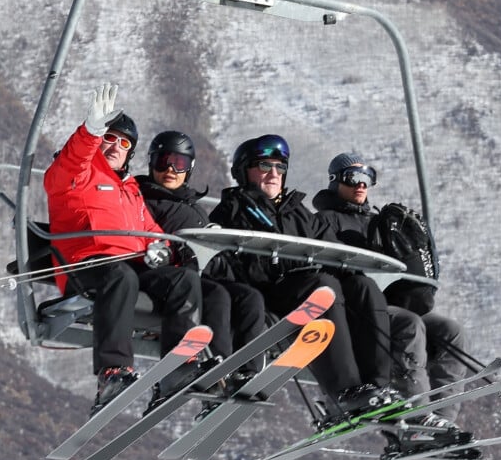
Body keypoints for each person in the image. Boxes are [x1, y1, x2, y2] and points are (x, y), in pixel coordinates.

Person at [209, 134, 404, 422]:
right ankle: (344, 390)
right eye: (264, 166)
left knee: (362, 287)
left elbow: (331, 250)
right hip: (269, 291)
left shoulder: (296, 210)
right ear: (244, 171)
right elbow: (233, 263)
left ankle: (376, 387)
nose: (274, 174)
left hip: (311, 288)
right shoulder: (232, 209)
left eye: (279, 168)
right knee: (324, 287)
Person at [44, 84, 204, 417]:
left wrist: (179, 253)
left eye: (124, 142)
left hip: (129, 268)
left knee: (183, 281)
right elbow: (74, 161)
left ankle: (178, 367)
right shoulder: (73, 174)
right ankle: (112, 372)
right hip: (86, 265)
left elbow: (150, 231)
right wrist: (90, 132)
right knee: (121, 277)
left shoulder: (128, 189)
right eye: (110, 138)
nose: (116, 146)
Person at [313, 152, 470, 428]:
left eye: (368, 178)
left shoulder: (377, 221)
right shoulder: (325, 221)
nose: (361, 185)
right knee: (408, 325)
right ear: (335, 181)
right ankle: (417, 416)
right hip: (356, 307)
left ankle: (442, 419)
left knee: (450, 330)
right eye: (353, 178)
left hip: (387, 301)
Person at [135, 130, 267, 412]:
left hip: (197, 274)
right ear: (151, 164)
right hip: (163, 276)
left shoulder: (192, 204)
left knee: (249, 297)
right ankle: (211, 375)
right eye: (163, 162)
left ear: (189, 168)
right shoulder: (141, 199)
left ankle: (245, 372)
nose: (170, 170)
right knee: (217, 295)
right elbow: (144, 238)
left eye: (179, 164)